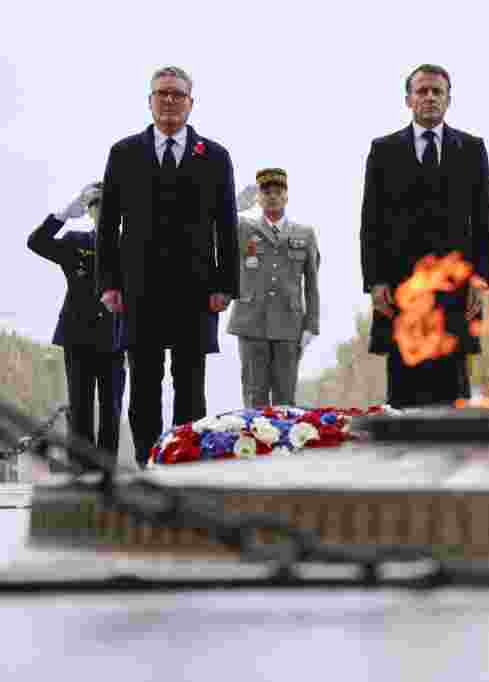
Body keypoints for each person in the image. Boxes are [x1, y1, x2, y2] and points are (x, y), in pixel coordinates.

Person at [95, 65, 239, 468]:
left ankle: (184, 462)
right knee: (143, 382)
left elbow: (226, 225)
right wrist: (108, 283)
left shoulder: (214, 156)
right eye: (162, 93)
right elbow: (107, 225)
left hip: (196, 288)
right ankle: (146, 463)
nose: (170, 101)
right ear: (150, 101)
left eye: (178, 94)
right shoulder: (124, 153)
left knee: (191, 383)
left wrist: (225, 284)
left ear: (192, 103)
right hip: (138, 288)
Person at [359, 64, 489, 408]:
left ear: (449, 100)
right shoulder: (383, 149)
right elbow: (371, 221)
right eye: (422, 91)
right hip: (401, 288)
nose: (430, 97)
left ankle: (453, 459)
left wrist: (480, 280)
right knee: (404, 391)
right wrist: (375, 281)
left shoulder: (473, 148)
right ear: (408, 99)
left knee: (452, 391)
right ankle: (402, 459)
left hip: (454, 288)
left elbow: (482, 221)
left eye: (437, 91)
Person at [28, 182, 125, 468]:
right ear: (90, 212)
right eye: (96, 205)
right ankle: (81, 469)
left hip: (115, 337)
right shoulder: (75, 242)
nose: (102, 211)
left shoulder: (131, 246)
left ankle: (108, 471)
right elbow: (36, 242)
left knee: (111, 410)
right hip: (78, 336)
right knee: (81, 409)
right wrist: (62, 215)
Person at [227, 168, 320, 408]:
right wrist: (231, 207)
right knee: (253, 396)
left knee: (285, 399)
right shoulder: (243, 228)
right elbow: (212, 228)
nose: (272, 196)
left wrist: (311, 324)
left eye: (278, 191)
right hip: (251, 321)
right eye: (266, 192)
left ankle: (284, 447)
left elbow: (311, 283)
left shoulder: (305, 233)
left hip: (289, 324)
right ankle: (254, 446)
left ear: (286, 196)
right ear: (258, 197)